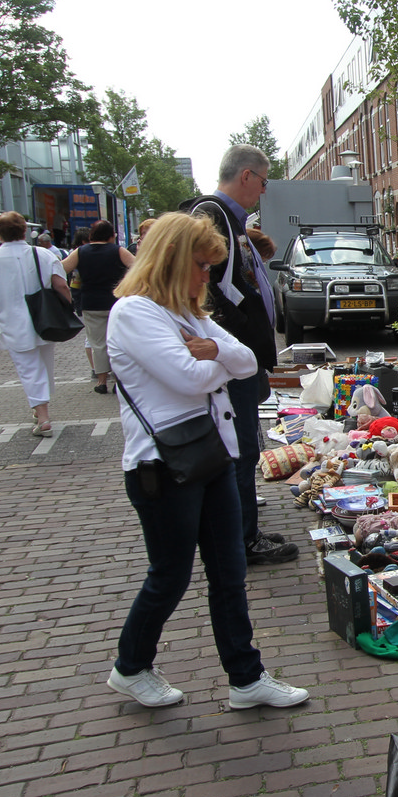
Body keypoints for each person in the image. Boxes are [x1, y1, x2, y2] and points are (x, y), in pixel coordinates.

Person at [102, 212, 309, 710]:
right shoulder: (134, 314)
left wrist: (212, 349)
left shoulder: (191, 316)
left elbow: (249, 361)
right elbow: (188, 377)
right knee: (169, 575)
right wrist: (220, 362)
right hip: (162, 466)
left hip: (211, 454)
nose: (207, 276)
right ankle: (130, 667)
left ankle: (247, 678)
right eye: (201, 265)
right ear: (173, 260)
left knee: (229, 572)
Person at [185, 145, 297, 566]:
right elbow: (213, 288)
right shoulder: (213, 215)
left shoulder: (229, 219)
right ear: (247, 176)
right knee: (241, 447)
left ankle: (243, 532)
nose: (264, 191)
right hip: (235, 355)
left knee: (245, 446)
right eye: (264, 181)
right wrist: (240, 333)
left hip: (241, 351)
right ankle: (242, 540)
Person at [0, 212, 70, 438]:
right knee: (45, 364)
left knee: (28, 368)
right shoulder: (43, 254)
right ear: (25, 230)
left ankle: (43, 416)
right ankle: (40, 407)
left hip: (13, 320)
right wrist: (67, 308)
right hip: (45, 317)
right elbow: (61, 285)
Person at [61, 220, 135, 395]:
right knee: (117, 342)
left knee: (98, 344)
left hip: (91, 303)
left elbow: (62, 267)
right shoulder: (118, 250)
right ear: (111, 235)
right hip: (115, 302)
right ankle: (118, 380)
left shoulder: (80, 251)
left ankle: (102, 381)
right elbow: (138, 266)